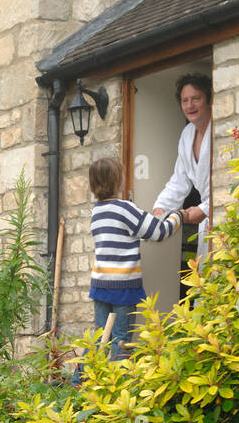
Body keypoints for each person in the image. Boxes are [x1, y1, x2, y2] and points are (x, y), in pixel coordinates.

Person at [79, 157, 191, 382]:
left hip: (101, 285)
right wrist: (178, 216)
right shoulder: (125, 208)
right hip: (123, 287)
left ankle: (80, 383)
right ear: (117, 181)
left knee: (100, 337)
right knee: (121, 341)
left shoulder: (97, 212)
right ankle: (119, 393)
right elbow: (158, 233)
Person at [153, 73, 213, 260]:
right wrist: (161, 208)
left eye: (196, 98)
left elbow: (233, 178)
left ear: (208, 99)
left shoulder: (221, 128)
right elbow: (179, 179)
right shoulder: (187, 135)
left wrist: (205, 209)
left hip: (227, 215)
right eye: (184, 100)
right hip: (207, 221)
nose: (190, 105)